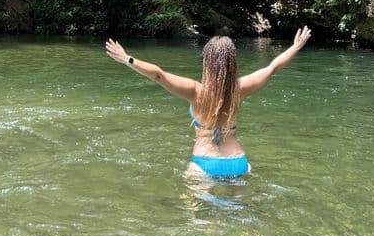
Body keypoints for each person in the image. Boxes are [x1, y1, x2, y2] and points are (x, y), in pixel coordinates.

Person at [105, 27, 312, 179]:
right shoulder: (240, 88)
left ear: (206, 62)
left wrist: (127, 59)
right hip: (238, 163)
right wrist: (295, 46)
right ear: (232, 64)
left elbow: (159, 75)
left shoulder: (196, 91)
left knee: (198, 222)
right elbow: (273, 67)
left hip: (205, 164)